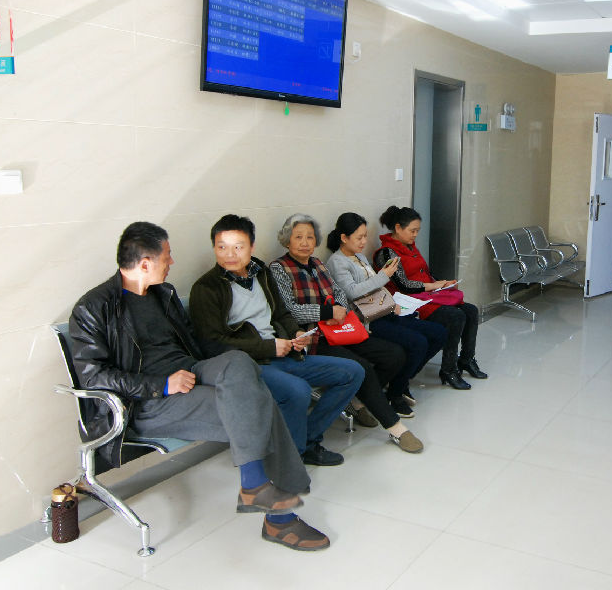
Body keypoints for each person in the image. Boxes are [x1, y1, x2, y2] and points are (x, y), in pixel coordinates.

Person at [69, 222, 329, 551]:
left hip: (191, 371)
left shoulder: (163, 294)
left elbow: (195, 345)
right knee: (257, 402)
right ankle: (278, 518)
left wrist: (231, 369)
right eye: (167, 255)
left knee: (238, 362)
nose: (172, 261)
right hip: (148, 402)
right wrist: (162, 384)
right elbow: (94, 377)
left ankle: (256, 487)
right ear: (145, 263)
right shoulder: (94, 307)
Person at [189, 214, 364, 467]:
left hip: (284, 353)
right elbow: (213, 345)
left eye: (238, 247)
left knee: (352, 372)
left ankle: (305, 441)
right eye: (221, 247)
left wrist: (296, 333)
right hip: (248, 365)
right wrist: (269, 347)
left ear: (251, 247)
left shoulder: (261, 273)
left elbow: (281, 313)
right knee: (298, 391)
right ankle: (292, 459)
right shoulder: (206, 288)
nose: (229, 254)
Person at [269, 213, 424, 453]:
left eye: (310, 237)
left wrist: (339, 310)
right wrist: (326, 312)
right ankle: (395, 427)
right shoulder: (278, 268)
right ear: (287, 240)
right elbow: (287, 310)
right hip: (314, 337)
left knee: (394, 354)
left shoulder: (318, 263)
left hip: (342, 329)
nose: (305, 243)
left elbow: (339, 292)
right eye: (298, 237)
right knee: (362, 367)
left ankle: (357, 400)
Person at [325, 212, 447, 418]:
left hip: (382, 310)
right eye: (359, 237)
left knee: (438, 333)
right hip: (366, 320)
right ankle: (394, 393)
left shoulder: (359, 256)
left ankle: (400, 381)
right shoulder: (337, 262)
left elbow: (375, 286)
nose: (364, 242)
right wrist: (384, 276)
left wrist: (391, 301)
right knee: (417, 343)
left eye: (365, 236)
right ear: (344, 238)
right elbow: (353, 292)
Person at [373, 206, 487, 390]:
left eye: (417, 231)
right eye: (412, 231)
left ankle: (466, 359)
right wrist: (433, 286)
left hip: (426, 295)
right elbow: (403, 285)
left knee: (471, 310)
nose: (415, 235)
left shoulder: (410, 247)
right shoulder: (386, 253)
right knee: (455, 316)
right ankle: (449, 369)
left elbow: (425, 273)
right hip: (408, 301)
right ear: (398, 228)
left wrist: (442, 283)